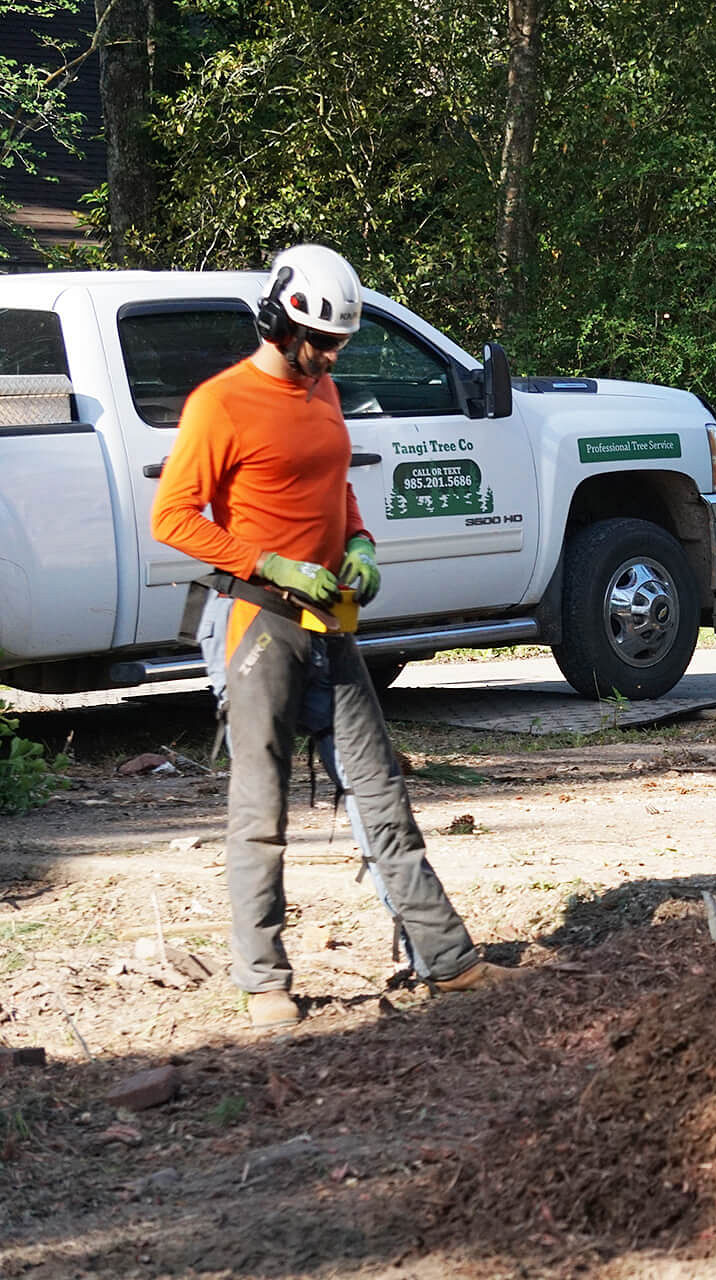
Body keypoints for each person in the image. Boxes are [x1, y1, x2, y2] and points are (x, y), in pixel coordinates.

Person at [152, 244, 516, 1030]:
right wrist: (267, 560)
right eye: (315, 342)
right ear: (277, 321)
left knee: (379, 787)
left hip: (330, 622)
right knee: (262, 802)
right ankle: (263, 979)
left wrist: (359, 543)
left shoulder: (326, 392)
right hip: (257, 622)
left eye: (337, 346)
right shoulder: (222, 404)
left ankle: (445, 961)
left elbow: (333, 485)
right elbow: (173, 517)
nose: (325, 358)